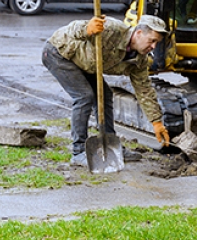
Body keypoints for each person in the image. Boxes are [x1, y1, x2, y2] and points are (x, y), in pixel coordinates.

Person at [42, 14, 172, 166]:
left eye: (157, 42)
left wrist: (156, 122)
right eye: (152, 41)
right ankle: (78, 152)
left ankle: (110, 146)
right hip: (59, 54)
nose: (154, 47)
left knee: (104, 95)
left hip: (86, 64)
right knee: (84, 97)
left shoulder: (139, 61)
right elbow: (72, 29)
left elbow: (144, 90)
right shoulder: (112, 29)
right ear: (138, 33)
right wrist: (87, 29)